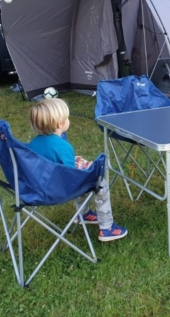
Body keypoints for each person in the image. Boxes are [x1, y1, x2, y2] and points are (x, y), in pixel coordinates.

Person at [28, 98, 127, 242]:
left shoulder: (34, 143)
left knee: (81, 167)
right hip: (60, 190)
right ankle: (107, 228)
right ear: (60, 124)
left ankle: (84, 214)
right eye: (67, 118)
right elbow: (72, 175)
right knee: (100, 183)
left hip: (40, 186)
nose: (69, 120)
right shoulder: (63, 147)